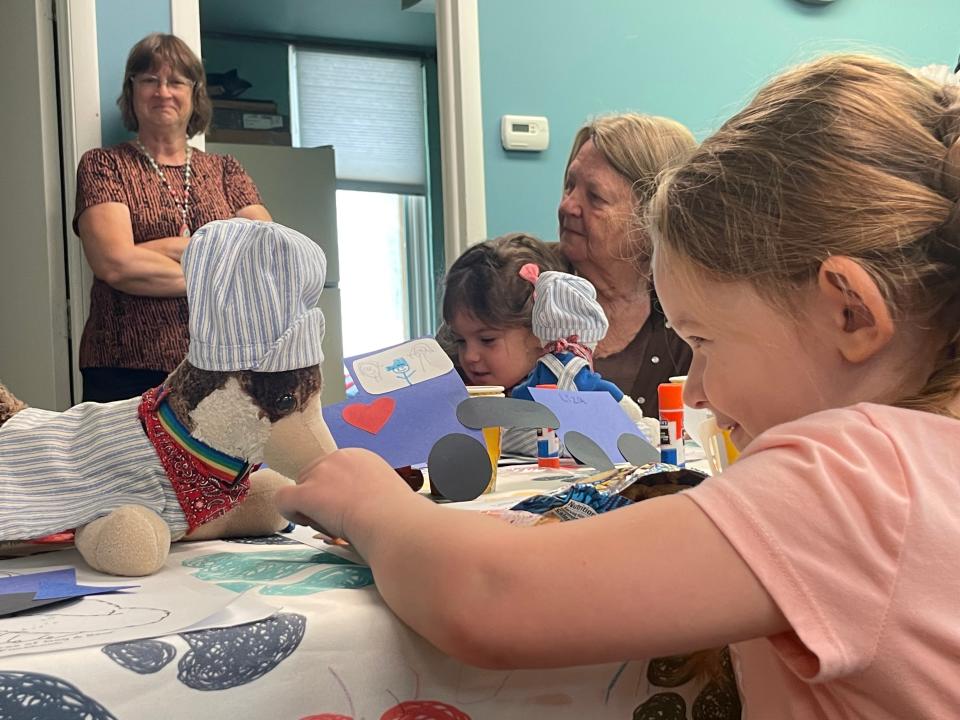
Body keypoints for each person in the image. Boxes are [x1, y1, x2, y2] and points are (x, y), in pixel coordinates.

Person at [276, 54, 960, 717]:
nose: (696, 391)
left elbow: (488, 598)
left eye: (705, 344)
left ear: (851, 313)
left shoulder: (859, 476)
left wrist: (367, 502)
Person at [74, 33, 271, 402]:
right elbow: (116, 264)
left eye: (176, 81)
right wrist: (215, 268)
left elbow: (264, 255)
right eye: (149, 80)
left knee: (214, 463)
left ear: (194, 94)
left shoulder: (226, 171)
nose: (163, 91)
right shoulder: (105, 165)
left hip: (220, 365)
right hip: (124, 368)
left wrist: (158, 249)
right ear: (132, 90)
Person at [559, 113, 696, 416]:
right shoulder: (519, 285)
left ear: (651, 215)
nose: (567, 205)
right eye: (569, 185)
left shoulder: (693, 315)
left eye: (594, 197)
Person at [510, 263, 644, 423]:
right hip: (577, 428)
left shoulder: (542, 367)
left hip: (546, 428)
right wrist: (624, 404)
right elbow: (600, 387)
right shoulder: (579, 369)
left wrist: (515, 400)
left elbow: (524, 391)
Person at [437, 233, 567, 391]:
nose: (469, 356)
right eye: (460, 341)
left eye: (487, 340)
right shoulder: (454, 392)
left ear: (541, 333)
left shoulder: (567, 392)